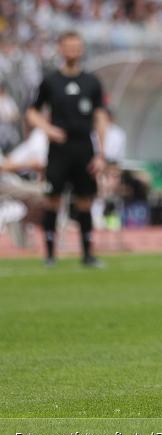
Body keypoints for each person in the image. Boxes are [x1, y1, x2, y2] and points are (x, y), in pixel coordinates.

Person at [25, 30, 108, 267]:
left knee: (85, 200)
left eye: (76, 47)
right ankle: (50, 255)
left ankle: (87, 254)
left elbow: (100, 116)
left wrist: (101, 153)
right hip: (59, 149)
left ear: (81, 50)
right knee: (52, 199)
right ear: (61, 49)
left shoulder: (92, 82)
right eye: (69, 46)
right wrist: (48, 129)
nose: (73, 51)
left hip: (84, 147)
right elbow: (31, 112)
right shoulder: (51, 81)